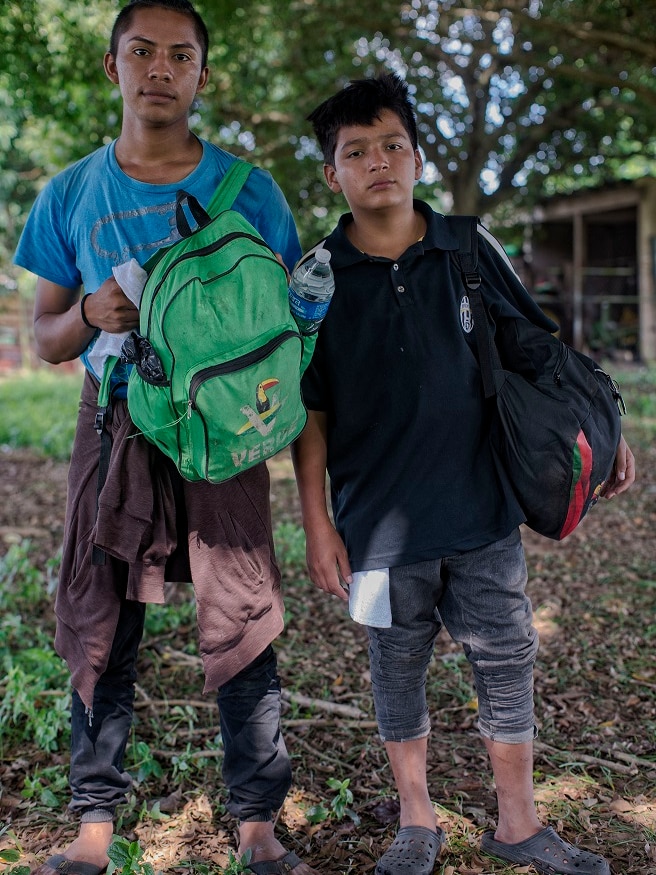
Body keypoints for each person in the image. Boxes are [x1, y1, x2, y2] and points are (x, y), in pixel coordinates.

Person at [291, 73, 635, 875]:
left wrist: (604, 427)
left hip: (482, 511)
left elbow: (535, 348)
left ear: (418, 153)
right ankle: (417, 819)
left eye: (393, 145)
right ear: (330, 172)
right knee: (395, 669)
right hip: (375, 526)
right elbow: (310, 410)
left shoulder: (469, 247)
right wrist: (316, 523)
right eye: (355, 151)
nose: (378, 162)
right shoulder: (315, 277)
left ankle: (518, 821)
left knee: (507, 657)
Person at [13, 2, 317, 874]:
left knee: (243, 609)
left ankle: (258, 824)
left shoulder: (250, 190)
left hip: (226, 429)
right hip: (115, 424)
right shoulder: (70, 192)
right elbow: (43, 336)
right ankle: (94, 827)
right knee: (102, 613)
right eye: (140, 51)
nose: (159, 68)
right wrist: (88, 311)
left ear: (202, 77)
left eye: (180, 55)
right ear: (112, 67)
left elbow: (288, 321)